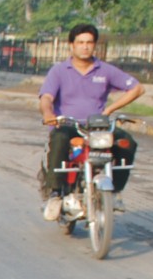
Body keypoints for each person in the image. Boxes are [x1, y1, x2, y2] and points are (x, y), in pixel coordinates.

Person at [39, 22, 144, 219]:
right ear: (72, 45)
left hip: (98, 127)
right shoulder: (59, 71)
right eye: (80, 42)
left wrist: (110, 109)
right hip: (69, 125)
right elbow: (46, 97)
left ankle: (115, 192)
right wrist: (48, 114)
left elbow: (137, 88)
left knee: (126, 142)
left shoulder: (105, 70)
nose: (85, 46)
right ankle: (55, 194)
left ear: (95, 45)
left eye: (89, 42)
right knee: (59, 139)